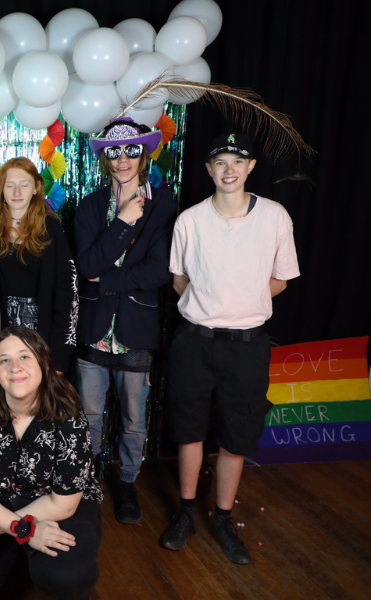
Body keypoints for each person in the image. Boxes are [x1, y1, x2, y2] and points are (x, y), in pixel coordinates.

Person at [161, 133, 300, 564]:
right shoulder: (190, 220)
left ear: (251, 167)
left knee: (237, 437)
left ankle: (222, 517)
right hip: (194, 343)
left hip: (247, 346)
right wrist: (210, 308)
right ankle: (185, 513)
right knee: (189, 429)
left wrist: (242, 306)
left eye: (236, 162)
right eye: (219, 161)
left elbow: (280, 279)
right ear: (208, 169)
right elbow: (180, 279)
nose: (228, 170)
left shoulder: (275, 217)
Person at [0, 326, 103, 600]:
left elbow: (64, 502)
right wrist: (21, 529)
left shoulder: (68, 413)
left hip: (55, 503)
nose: (15, 367)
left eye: (25, 356)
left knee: (66, 576)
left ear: (43, 363)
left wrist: (1, 527)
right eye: (4, 360)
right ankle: (16, 557)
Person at [74, 118, 176, 524]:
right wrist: (122, 222)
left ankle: (128, 483)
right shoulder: (88, 208)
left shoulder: (163, 207)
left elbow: (159, 271)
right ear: (104, 158)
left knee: (134, 421)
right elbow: (86, 266)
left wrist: (107, 279)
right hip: (94, 332)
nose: (122, 160)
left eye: (131, 150)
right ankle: (86, 482)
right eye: (114, 152)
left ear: (144, 153)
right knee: (89, 417)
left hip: (136, 332)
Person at [0, 157, 77, 374]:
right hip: (1, 337)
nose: (17, 192)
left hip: (41, 339)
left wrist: (60, 355)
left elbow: (68, 294)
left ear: (35, 188)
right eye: (10, 185)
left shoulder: (51, 230)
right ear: (1, 190)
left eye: (24, 185)